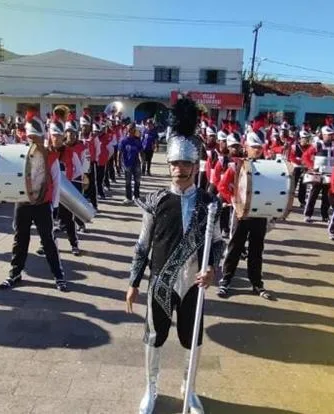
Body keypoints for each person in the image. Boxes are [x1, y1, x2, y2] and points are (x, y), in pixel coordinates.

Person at [126, 98, 225, 414]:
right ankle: (151, 389)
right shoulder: (155, 201)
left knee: (191, 340)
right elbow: (142, 246)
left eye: (186, 165)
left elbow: (220, 243)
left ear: (196, 167)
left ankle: (189, 389)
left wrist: (212, 270)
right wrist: (133, 282)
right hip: (161, 283)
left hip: (194, 284)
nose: (180, 170)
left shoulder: (210, 203)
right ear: (168, 165)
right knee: (154, 339)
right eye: (175, 164)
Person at [0, 111, 68, 292]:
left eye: (36, 136)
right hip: (23, 202)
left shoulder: (51, 155)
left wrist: (54, 207)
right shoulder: (19, 153)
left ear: (42, 136)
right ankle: (15, 273)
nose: (33, 140)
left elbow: (57, 182)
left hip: (43, 204)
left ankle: (58, 275)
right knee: (20, 239)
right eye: (30, 137)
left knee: (48, 241)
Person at [216, 131, 275, 300]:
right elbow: (222, 186)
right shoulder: (236, 166)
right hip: (241, 215)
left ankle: (256, 283)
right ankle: (226, 280)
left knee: (257, 250)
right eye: (254, 147)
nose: (257, 150)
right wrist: (234, 201)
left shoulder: (268, 167)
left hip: (260, 214)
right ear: (246, 147)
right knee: (234, 247)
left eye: (259, 147)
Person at [49, 116, 82, 256]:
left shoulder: (70, 152)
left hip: (64, 193)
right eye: (53, 136)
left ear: (63, 137)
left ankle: (74, 244)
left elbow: (79, 172)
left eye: (58, 136)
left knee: (68, 221)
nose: (56, 139)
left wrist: (75, 191)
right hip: (49, 194)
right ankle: (48, 245)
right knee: (48, 222)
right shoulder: (46, 152)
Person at [302, 126, 334, 223]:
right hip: (318, 174)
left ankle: (324, 215)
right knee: (313, 195)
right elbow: (305, 156)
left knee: (327, 197)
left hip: (330, 175)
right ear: (323, 135)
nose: (330, 137)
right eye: (328, 135)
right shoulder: (317, 145)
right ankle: (308, 215)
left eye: (331, 135)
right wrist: (312, 166)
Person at [119, 123, 143, 205]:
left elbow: (141, 151)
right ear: (127, 130)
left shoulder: (137, 140)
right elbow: (120, 153)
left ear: (134, 130)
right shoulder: (123, 140)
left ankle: (136, 197)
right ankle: (128, 197)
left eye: (132, 129)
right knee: (128, 182)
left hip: (136, 163)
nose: (130, 131)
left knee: (137, 181)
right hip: (127, 164)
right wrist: (118, 163)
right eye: (129, 129)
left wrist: (143, 162)